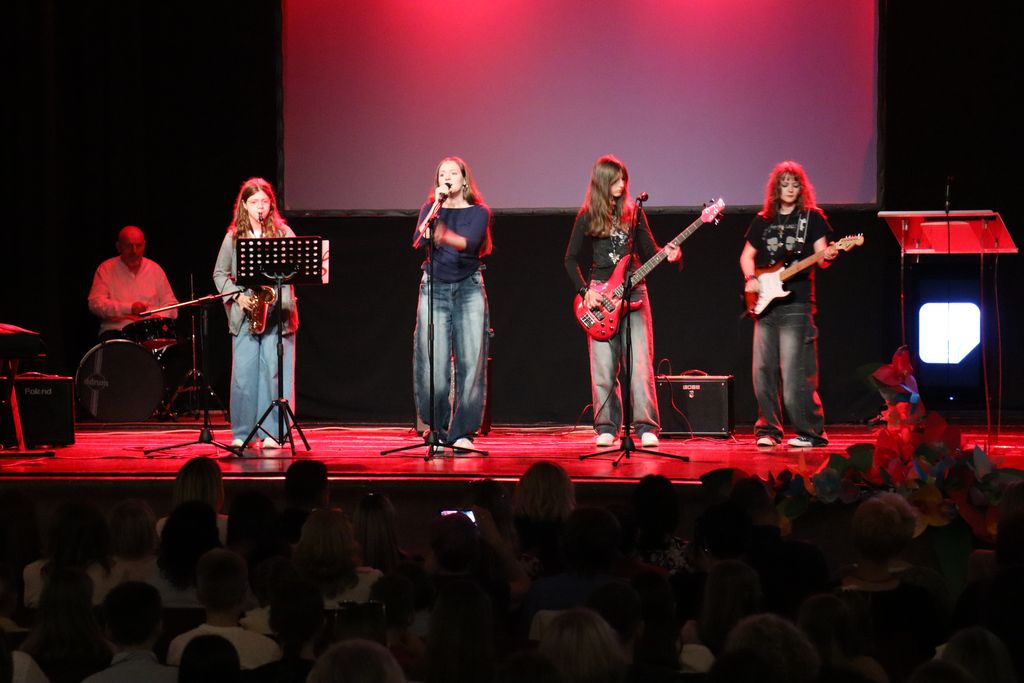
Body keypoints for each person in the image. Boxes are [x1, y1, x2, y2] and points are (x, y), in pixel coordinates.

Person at [564, 155, 681, 449]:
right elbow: (570, 259)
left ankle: (646, 426)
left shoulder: (634, 213)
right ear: (602, 183)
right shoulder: (587, 215)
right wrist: (585, 292)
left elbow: (650, 250)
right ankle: (606, 426)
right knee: (603, 368)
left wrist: (669, 254)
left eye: (623, 180)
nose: (622, 185)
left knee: (640, 364)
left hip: (635, 291)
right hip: (599, 296)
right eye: (615, 181)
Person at [739, 161, 838, 448]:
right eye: (785, 184)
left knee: (796, 374)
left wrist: (829, 255)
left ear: (802, 188)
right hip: (765, 305)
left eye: (795, 184)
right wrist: (751, 279)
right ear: (776, 189)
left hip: (797, 304)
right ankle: (768, 430)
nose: (790, 189)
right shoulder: (763, 220)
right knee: (763, 372)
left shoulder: (812, 218)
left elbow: (822, 258)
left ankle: (811, 432)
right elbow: (747, 256)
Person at [411, 156, 493, 452]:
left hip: (469, 287)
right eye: (441, 174)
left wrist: (444, 235)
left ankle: (463, 433)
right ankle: (438, 430)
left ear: (464, 180)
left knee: (471, 363)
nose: (446, 177)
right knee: (433, 363)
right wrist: (436, 208)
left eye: (453, 173)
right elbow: (418, 241)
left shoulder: (479, 212)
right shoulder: (430, 210)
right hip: (434, 287)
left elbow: (469, 243)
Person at [213, 177, 299, 450]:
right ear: (244, 205)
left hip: (278, 314)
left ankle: (274, 432)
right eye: (254, 202)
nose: (260, 207)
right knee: (244, 375)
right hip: (246, 311)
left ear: (271, 205)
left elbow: (298, 266)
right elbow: (219, 274)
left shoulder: (283, 233)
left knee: (275, 374)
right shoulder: (234, 237)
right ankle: (244, 432)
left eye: (264, 202)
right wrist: (238, 297)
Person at [87, 225, 178, 340]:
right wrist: (129, 308)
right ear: (118, 247)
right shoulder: (106, 269)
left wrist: (158, 316)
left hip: (151, 333)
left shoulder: (155, 269)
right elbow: (95, 304)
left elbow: (171, 305)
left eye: (138, 245)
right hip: (118, 333)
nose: (134, 251)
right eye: (129, 246)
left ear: (144, 245)